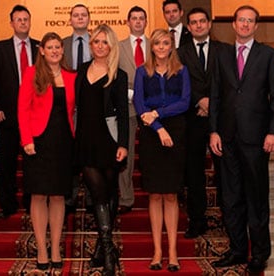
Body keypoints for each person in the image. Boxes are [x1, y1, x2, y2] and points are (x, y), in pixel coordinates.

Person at [209, 5, 274, 274]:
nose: (244, 25)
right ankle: (238, 249)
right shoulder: (221, 55)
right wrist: (214, 131)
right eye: (241, 20)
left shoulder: (269, 55)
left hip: (256, 139)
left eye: (249, 21)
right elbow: (216, 95)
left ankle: (260, 254)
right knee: (230, 199)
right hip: (226, 139)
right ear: (234, 24)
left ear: (255, 26)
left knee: (256, 198)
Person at [133, 28, 190, 272]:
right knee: (155, 194)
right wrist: (158, 126)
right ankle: (157, 250)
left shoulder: (182, 70)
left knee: (171, 194)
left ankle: (173, 251)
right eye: (157, 44)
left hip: (177, 132)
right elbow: (139, 103)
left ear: (171, 46)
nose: (162, 47)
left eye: (166, 43)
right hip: (150, 134)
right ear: (152, 47)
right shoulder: (141, 72)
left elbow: (185, 102)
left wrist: (159, 113)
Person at [18, 32, 76, 271]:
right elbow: (22, 109)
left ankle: (55, 248)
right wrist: (26, 140)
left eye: (57, 47)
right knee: (39, 195)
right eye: (49, 47)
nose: (54, 51)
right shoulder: (32, 73)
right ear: (41, 50)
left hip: (64, 142)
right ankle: (42, 248)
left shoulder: (72, 76)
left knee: (59, 195)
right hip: (38, 142)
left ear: (62, 50)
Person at [75, 24, 129, 275]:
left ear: (111, 46)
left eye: (104, 42)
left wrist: (123, 145)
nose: (99, 46)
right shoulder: (82, 70)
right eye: (96, 41)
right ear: (91, 44)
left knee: (109, 194)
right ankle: (109, 252)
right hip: (85, 141)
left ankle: (100, 247)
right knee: (97, 195)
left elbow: (124, 116)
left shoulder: (119, 74)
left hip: (109, 140)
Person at [0, 5, 39, 219]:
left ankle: (30, 203)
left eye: (26, 19)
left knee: (32, 163)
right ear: (11, 23)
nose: (23, 23)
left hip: (34, 116)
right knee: (6, 163)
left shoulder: (39, 47)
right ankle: (7, 205)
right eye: (18, 19)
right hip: (6, 115)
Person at [177, 7, 223, 238]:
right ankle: (197, 220)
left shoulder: (224, 50)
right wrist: (200, 101)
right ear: (188, 27)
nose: (198, 25)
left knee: (224, 170)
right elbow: (178, 83)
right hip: (192, 118)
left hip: (220, 120)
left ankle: (229, 216)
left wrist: (211, 103)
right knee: (193, 172)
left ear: (209, 23)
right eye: (193, 22)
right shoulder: (180, 53)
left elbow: (230, 83)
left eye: (202, 21)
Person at [117, 5, 149, 214]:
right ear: (127, 22)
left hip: (152, 108)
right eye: (134, 18)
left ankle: (156, 190)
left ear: (145, 22)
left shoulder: (156, 45)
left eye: (141, 18)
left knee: (151, 152)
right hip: (127, 106)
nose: (137, 22)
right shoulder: (118, 47)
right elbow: (114, 75)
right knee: (126, 152)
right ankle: (126, 198)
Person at [62, 3, 93, 214]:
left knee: (91, 150)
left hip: (92, 105)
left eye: (83, 15)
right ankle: (70, 195)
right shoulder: (61, 44)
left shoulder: (98, 42)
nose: (80, 18)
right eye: (76, 15)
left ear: (88, 19)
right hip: (67, 105)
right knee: (70, 151)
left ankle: (92, 196)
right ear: (70, 19)